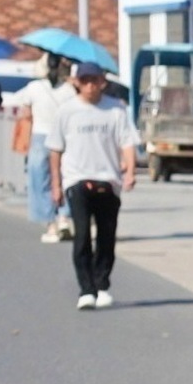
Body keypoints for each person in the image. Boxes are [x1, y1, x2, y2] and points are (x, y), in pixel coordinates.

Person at [58, 59, 140, 308]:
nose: (90, 86)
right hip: (77, 179)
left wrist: (130, 171)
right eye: (85, 81)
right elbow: (55, 149)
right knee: (82, 235)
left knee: (106, 236)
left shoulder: (115, 109)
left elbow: (127, 142)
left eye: (94, 80)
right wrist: (56, 185)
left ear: (102, 82)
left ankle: (101, 283)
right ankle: (86, 289)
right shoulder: (67, 110)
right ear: (77, 83)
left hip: (108, 179)